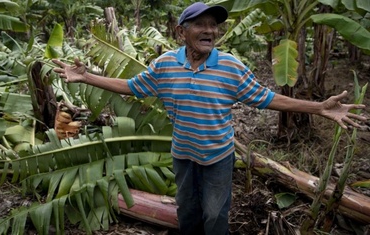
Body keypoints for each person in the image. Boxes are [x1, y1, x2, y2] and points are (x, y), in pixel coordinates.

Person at [53, 2, 366, 234]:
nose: (210, 30)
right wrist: (86, 78)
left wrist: (319, 107)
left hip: (218, 155)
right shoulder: (165, 64)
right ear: (181, 31)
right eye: (200, 24)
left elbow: (267, 98)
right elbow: (133, 87)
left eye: (214, 25)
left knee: (215, 217)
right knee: (187, 213)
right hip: (183, 155)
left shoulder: (230, 66)